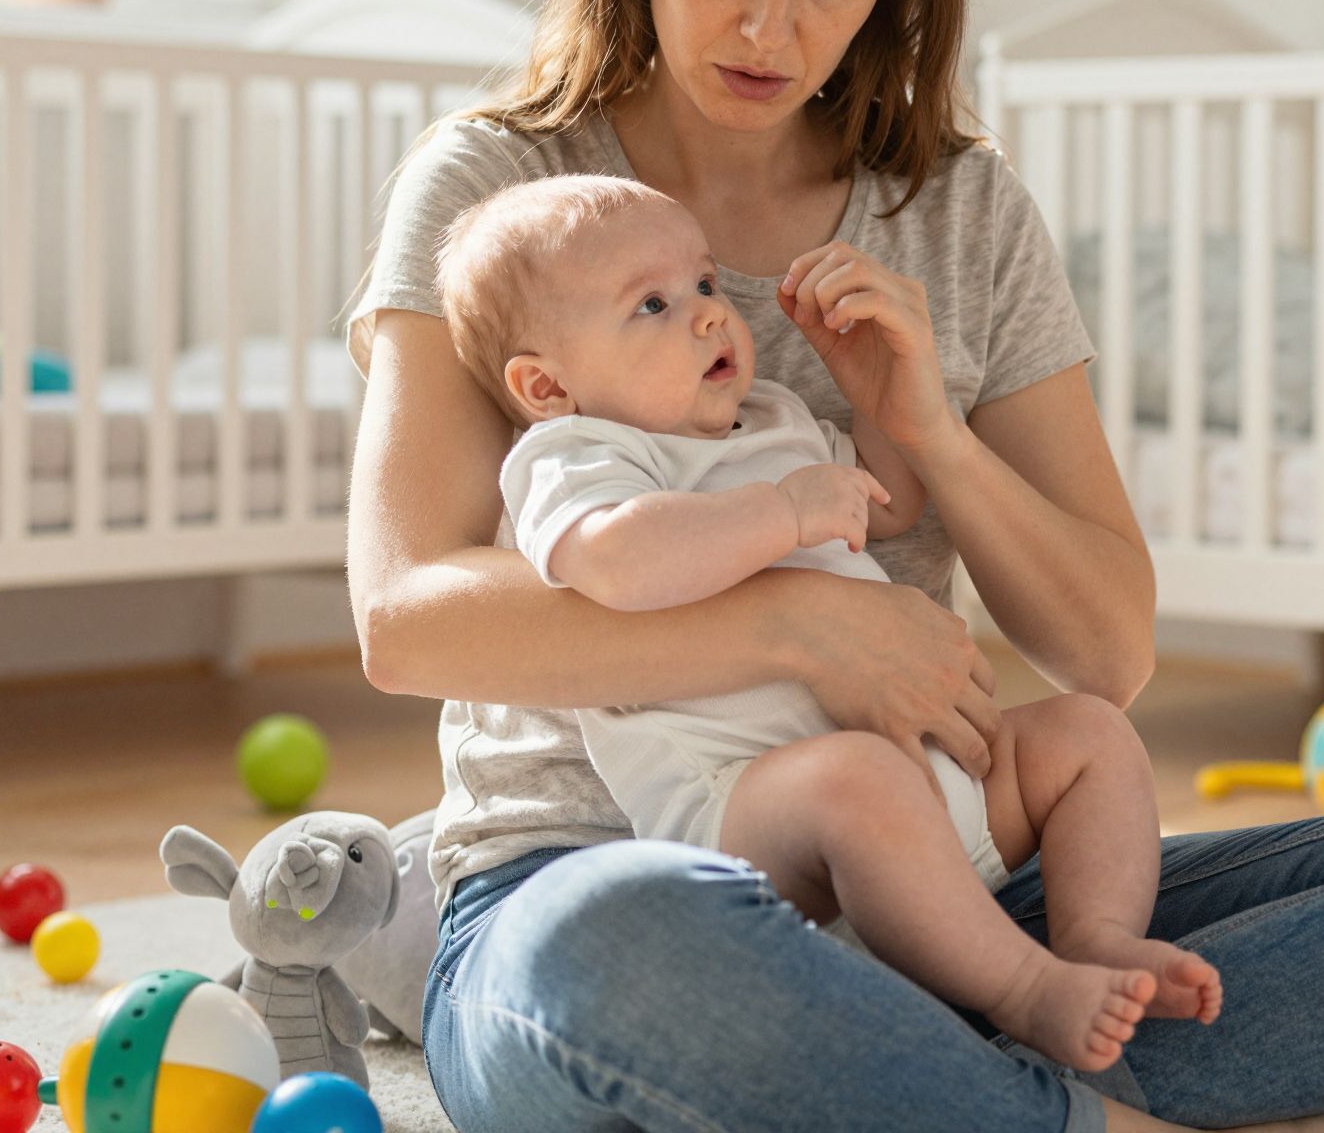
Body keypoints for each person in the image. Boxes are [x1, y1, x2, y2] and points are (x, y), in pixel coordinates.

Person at [345, 0, 1324, 1133]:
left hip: (950, 892)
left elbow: (1105, 650)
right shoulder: (499, 192)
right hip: (593, 876)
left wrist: (930, 429)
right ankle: (1094, 1114)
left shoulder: (957, 211)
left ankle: (925, 1080)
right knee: (613, 959)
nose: (768, 26)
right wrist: (801, 620)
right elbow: (406, 618)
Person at [433, 174, 1221, 1070]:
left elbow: (885, 506)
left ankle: (1095, 940)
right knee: (854, 778)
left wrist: (891, 409)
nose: (704, 316)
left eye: (702, 285)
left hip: (933, 785)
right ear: (546, 384)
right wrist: (784, 514)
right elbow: (618, 561)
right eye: (650, 305)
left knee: (1090, 734)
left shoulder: (770, 417)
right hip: (748, 809)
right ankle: (1023, 994)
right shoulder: (574, 454)